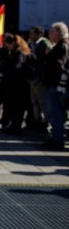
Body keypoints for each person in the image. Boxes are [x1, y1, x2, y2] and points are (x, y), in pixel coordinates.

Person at [41, 22, 69, 150]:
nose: (49, 34)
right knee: (57, 114)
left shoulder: (62, 46)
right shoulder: (60, 45)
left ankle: (58, 140)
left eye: (52, 32)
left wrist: (48, 57)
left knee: (56, 114)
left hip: (56, 86)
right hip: (56, 85)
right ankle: (56, 138)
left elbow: (60, 66)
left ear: (58, 33)